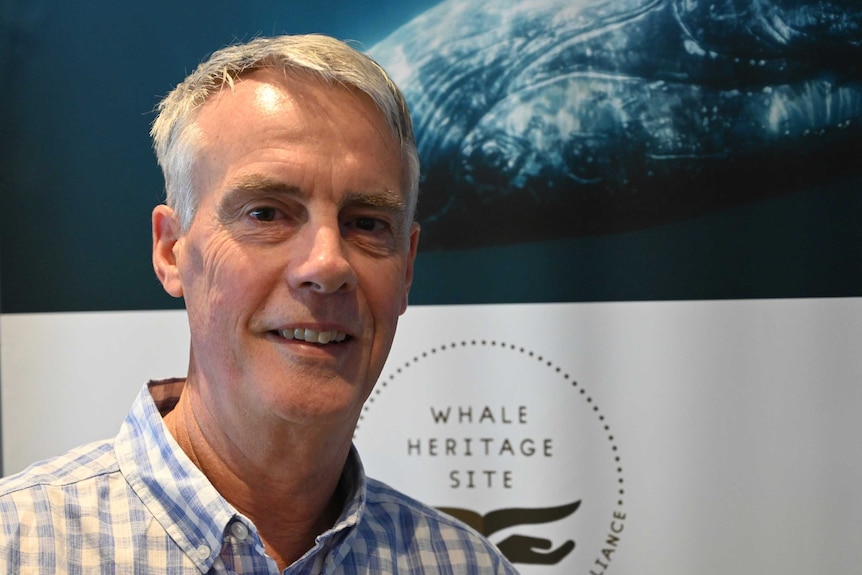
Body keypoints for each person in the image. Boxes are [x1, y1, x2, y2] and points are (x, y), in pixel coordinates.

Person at [0, 34, 518, 574]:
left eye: (367, 224)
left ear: (406, 267)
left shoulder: (464, 565)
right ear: (171, 251)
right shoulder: (19, 546)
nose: (326, 265)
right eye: (266, 214)